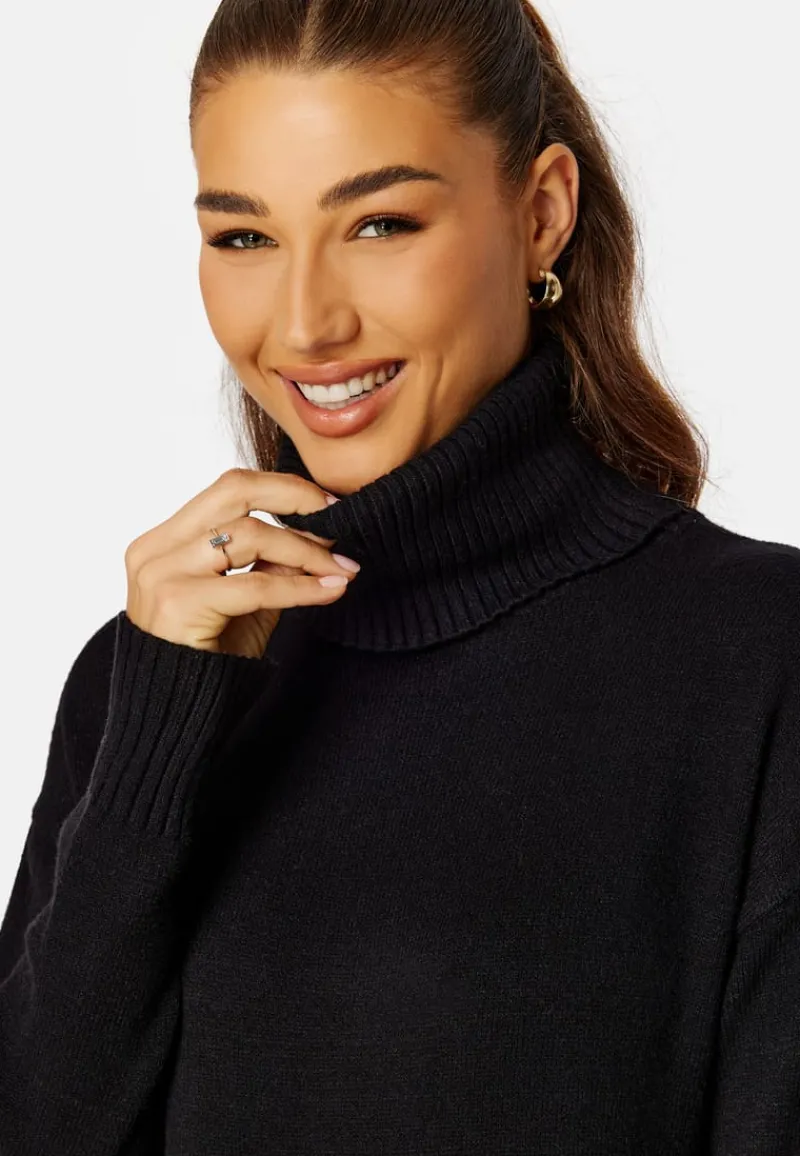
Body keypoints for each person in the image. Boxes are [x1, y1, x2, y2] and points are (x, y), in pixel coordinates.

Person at [1, 0, 798, 1152]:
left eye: (378, 224)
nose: (304, 323)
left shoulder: (754, 658)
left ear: (540, 213)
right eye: (243, 238)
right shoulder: (153, 673)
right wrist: (156, 733)